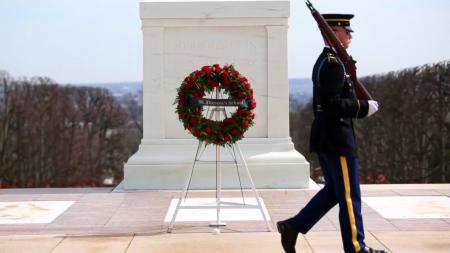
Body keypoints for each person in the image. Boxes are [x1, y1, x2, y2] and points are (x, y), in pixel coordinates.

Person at [276, 14, 388, 253]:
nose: (350, 35)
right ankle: (357, 248)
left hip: (328, 136)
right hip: (337, 138)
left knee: (334, 193)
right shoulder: (333, 63)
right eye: (346, 30)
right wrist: (363, 107)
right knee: (349, 197)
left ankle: (293, 226)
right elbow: (332, 103)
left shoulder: (329, 60)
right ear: (333, 32)